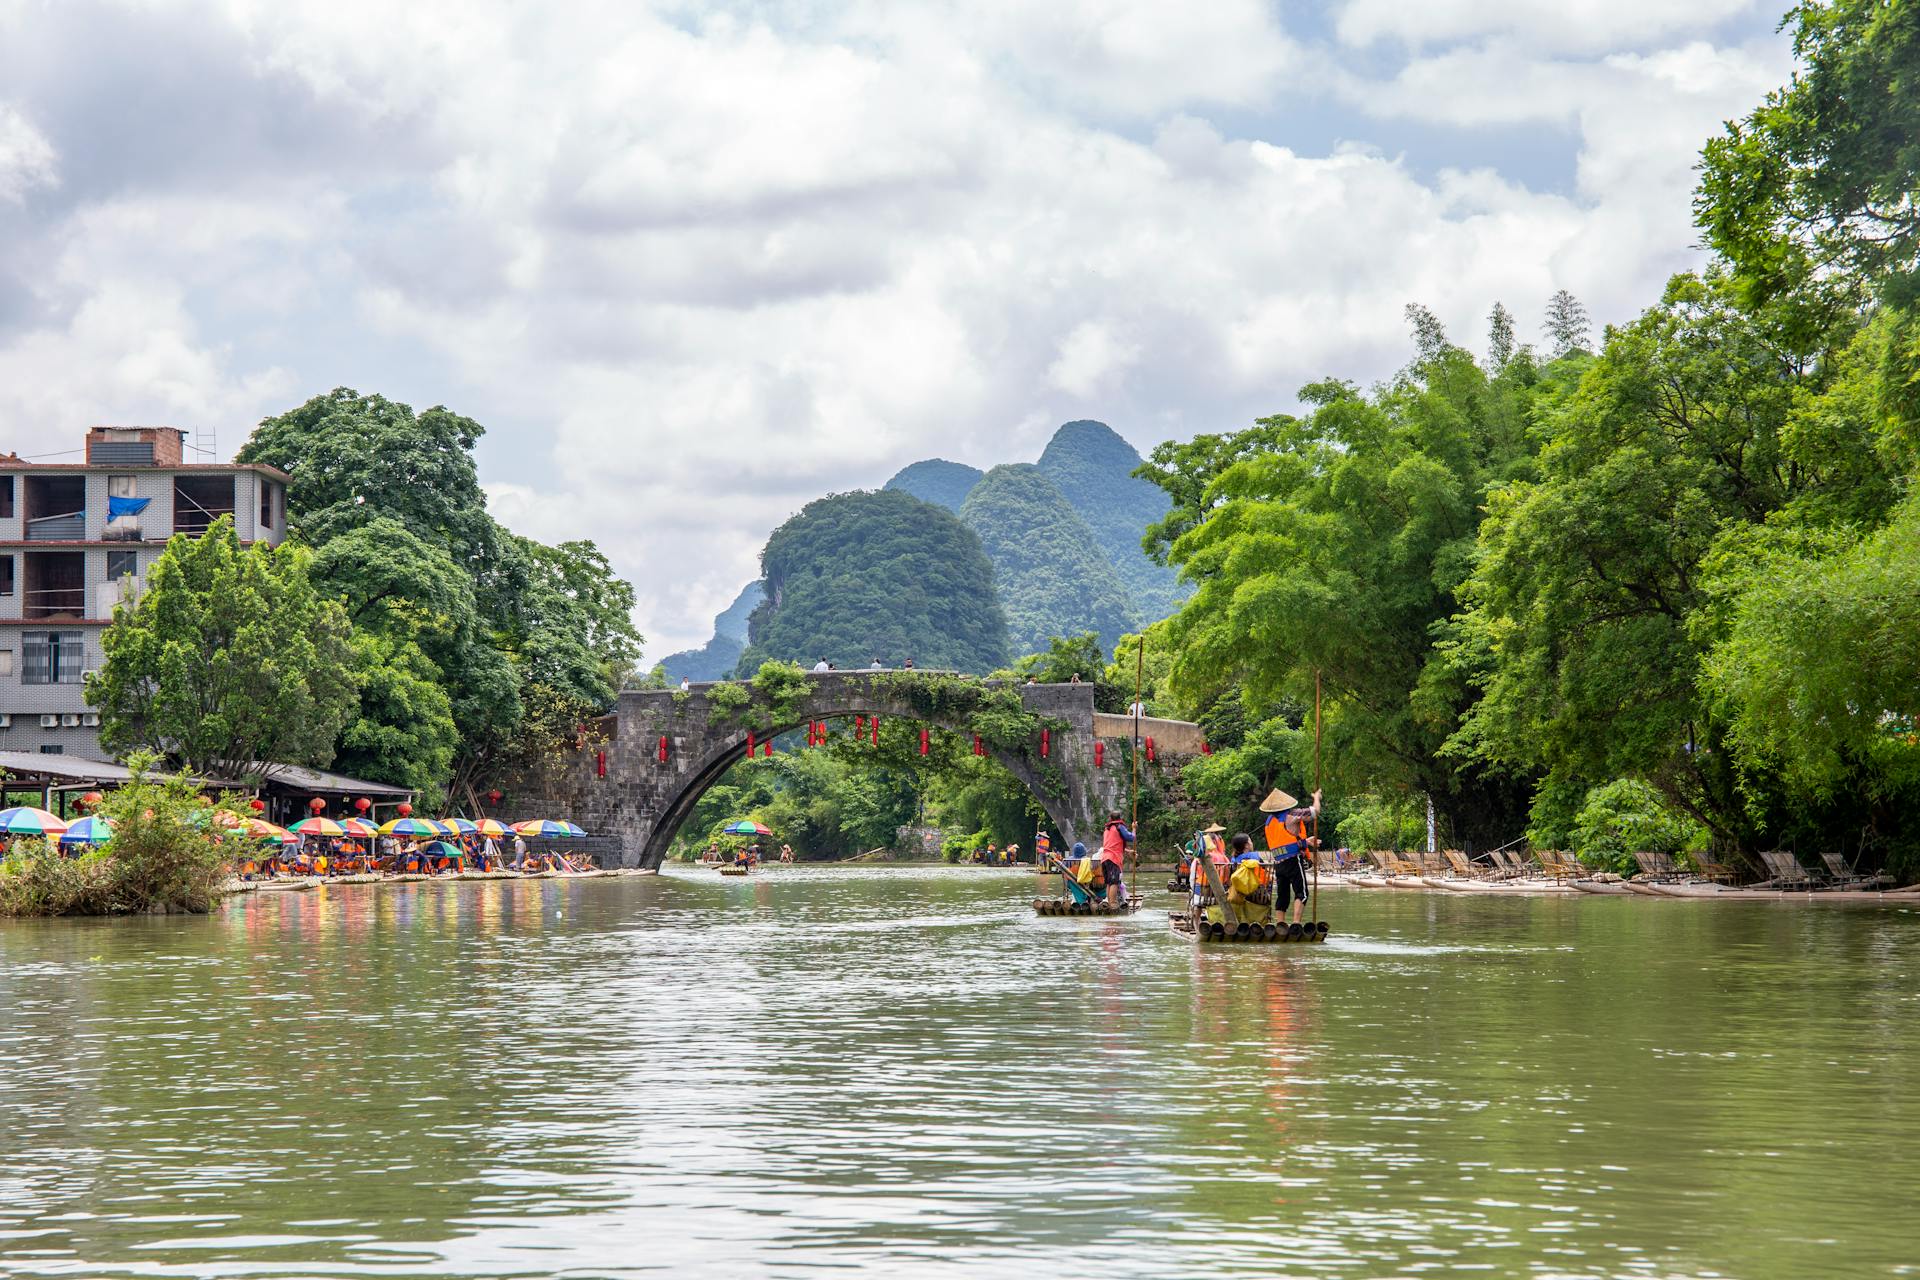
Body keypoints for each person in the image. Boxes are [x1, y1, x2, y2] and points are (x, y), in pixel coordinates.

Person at [1264, 790, 1322, 936]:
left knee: (1283, 895)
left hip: (1279, 862)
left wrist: (1306, 842)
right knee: (1302, 893)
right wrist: (1316, 798)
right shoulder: (1293, 815)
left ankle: (1281, 924)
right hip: (1293, 860)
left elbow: (1285, 840)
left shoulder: (1269, 821)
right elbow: (1315, 812)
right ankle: (1296, 924)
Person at [1098, 810, 1133, 906]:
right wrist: (1134, 828)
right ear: (1120, 818)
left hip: (1105, 858)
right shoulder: (1119, 826)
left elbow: (1113, 844)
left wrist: (1127, 851)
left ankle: (1109, 903)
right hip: (1113, 859)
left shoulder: (1107, 829)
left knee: (1109, 882)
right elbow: (1131, 837)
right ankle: (1113, 904)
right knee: (1114, 882)